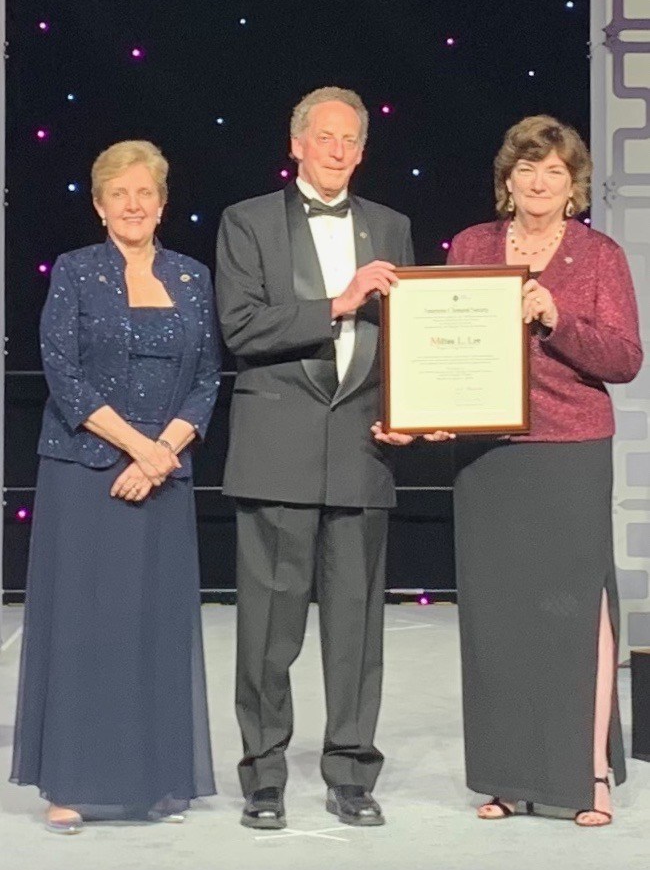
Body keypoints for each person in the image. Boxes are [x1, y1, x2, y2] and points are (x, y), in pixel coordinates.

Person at [377, 114, 642, 827]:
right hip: (488, 453)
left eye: (554, 171)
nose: (539, 181)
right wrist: (424, 409)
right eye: (528, 168)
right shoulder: (472, 246)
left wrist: (556, 316)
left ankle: (588, 773)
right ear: (508, 177)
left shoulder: (599, 255)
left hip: (569, 449)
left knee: (576, 610)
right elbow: (440, 338)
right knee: (497, 620)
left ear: (573, 184)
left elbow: (624, 357)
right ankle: (506, 774)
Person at [215, 86, 416, 829]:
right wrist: (339, 300)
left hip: (364, 451)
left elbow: (408, 337)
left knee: (357, 632)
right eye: (323, 137)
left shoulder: (392, 225)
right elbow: (240, 327)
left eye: (349, 140)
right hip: (277, 453)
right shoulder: (247, 221)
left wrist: (408, 412)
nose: (336, 150)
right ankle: (264, 775)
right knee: (269, 631)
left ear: (362, 151)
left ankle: (352, 772)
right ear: (295, 144)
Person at [10, 140, 220, 833]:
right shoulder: (74, 272)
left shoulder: (191, 277)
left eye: (145, 193)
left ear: (162, 203)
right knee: (86, 630)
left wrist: (163, 454)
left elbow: (207, 378)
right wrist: (139, 447)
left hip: (164, 478)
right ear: (100, 205)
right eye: (118, 194)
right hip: (84, 476)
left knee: (153, 629)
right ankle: (73, 779)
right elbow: (64, 374)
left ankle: (156, 777)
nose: (133, 205)